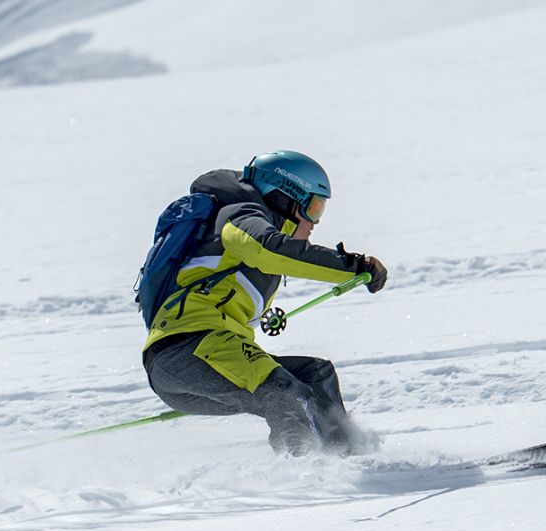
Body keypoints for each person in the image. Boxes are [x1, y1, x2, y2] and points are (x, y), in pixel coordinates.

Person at [141, 150, 388, 456]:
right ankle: (306, 476)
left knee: (315, 374)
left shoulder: (246, 226)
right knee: (287, 394)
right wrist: (353, 266)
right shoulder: (241, 216)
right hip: (188, 352)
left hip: (207, 356)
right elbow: (268, 250)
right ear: (286, 197)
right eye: (313, 208)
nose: (314, 223)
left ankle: (348, 456)